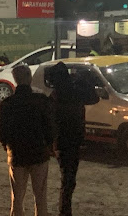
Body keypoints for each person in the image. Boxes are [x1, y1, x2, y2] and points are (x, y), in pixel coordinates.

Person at [0, 64, 55, 216]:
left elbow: (1, 130)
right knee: (40, 198)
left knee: (17, 198)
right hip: (39, 154)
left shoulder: (7, 104)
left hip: (17, 155)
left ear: (15, 79)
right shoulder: (41, 101)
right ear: (30, 78)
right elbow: (50, 127)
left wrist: (8, 147)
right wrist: (48, 146)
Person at [47, 62, 99, 216]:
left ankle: (65, 210)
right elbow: (93, 98)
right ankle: (65, 211)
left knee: (67, 177)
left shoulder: (55, 95)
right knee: (69, 179)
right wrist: (82, 80)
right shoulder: (73, 92)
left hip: (61, 141)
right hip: (72, 139)